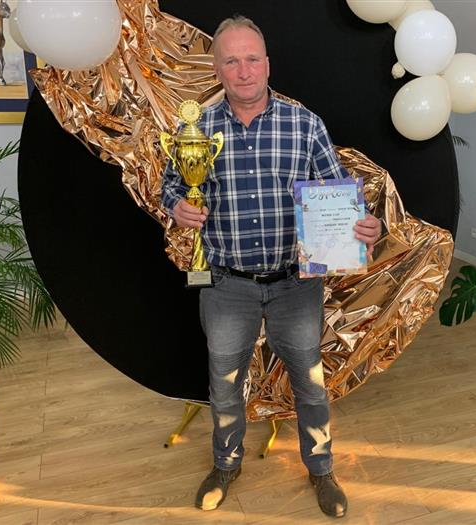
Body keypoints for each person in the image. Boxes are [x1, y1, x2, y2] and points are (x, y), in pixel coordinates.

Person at [161, 15, 381, 519]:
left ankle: (321, 469)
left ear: (267, 64)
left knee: (309, 383)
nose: (243, 71)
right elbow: (172, 185)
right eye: (231, 61)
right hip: (227, 285)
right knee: (224, 385)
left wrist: (362, 223)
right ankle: (225, 465)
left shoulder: (304, 125)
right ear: (217, 69)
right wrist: (176, 206)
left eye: (252, 59)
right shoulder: (196, 130)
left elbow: (338, 192)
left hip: (294, 285)